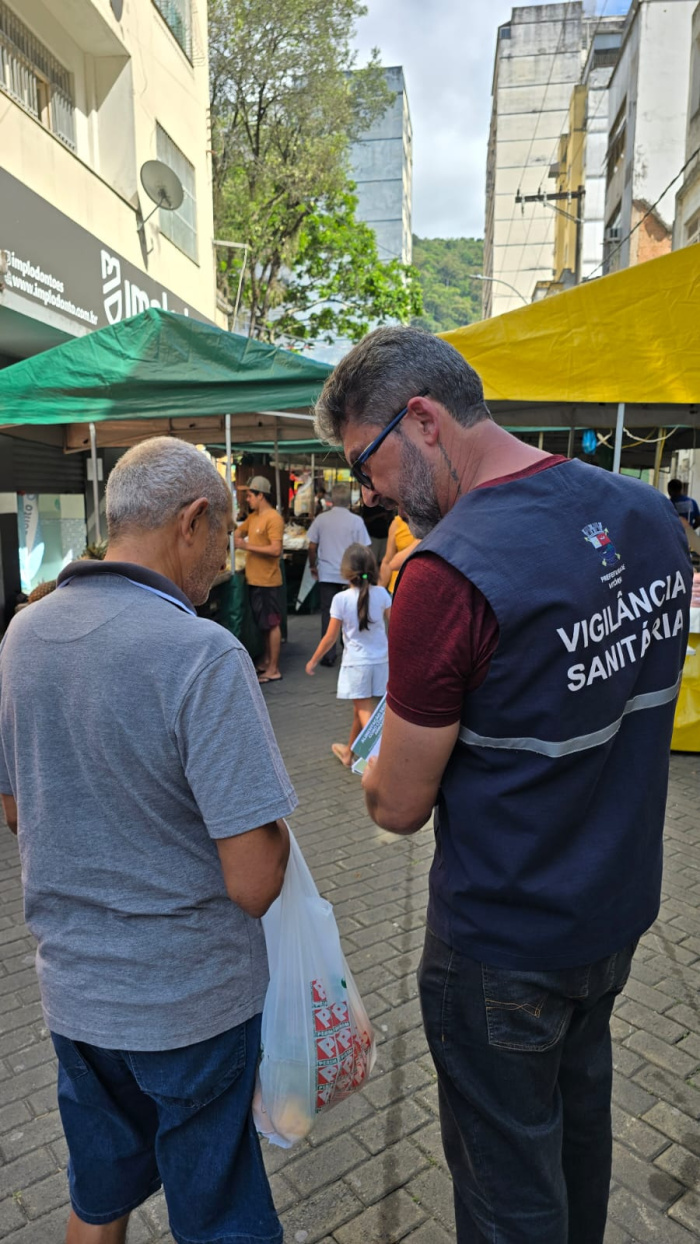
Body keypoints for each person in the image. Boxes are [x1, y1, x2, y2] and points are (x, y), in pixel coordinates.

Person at [313, 325, 692, 1244]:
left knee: (508, 1190)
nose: (369, 496)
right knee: (576, 1144)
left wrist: (373, 766)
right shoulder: (647, 519)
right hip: (610, 912)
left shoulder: (448, 572)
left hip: (503, 940)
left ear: (424, 420)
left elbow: (397, 807)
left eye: (367, 465)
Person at [0, 438, 295, 1244]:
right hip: (189, 1008)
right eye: (228, 537)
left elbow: (20, 813)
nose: (229, 562)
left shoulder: (22, 636)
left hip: (76, 999)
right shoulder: (202, 654)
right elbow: (256, 881)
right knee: (220, 1218)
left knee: (98, 1200)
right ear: (192, 522)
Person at [306, 543, 391, 767]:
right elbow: (397, 626)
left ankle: (378, 760)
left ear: (345, 571)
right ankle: (348, 754)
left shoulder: (340, 600)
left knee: (364, 711)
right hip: (382, 662)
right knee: (359, 709)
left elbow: (330, 638)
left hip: (357, 666)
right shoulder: (382, 594)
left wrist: (313, 660)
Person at [307, 482, 371, 667]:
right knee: (352, 611)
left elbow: (311, 547)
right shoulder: (356, 521)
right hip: (350, 575)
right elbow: (365, 549)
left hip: (327, 573)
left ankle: (328, 655)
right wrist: (365, 574)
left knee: (328, 613)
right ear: (348, 500)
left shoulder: (321, 519)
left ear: (331, 499)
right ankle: (351, 650)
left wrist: (313, 565)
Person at [234, 475, 285, 683]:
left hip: (267, 580)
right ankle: (266, 660)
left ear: (260, 495)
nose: (247, 499)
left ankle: (274, 668)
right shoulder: (253, 517)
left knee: (272, 624)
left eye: (249, 495)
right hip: (255, 579)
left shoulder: (273, 518)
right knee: (263, 623)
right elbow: (237, 531)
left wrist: (246, 546)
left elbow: (275, 549)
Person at [379, 513, 419, 593]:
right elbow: (387, 561)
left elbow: (394, 563)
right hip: (396, 590)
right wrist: (378, 592)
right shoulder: (397, 522)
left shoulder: (438, 523)